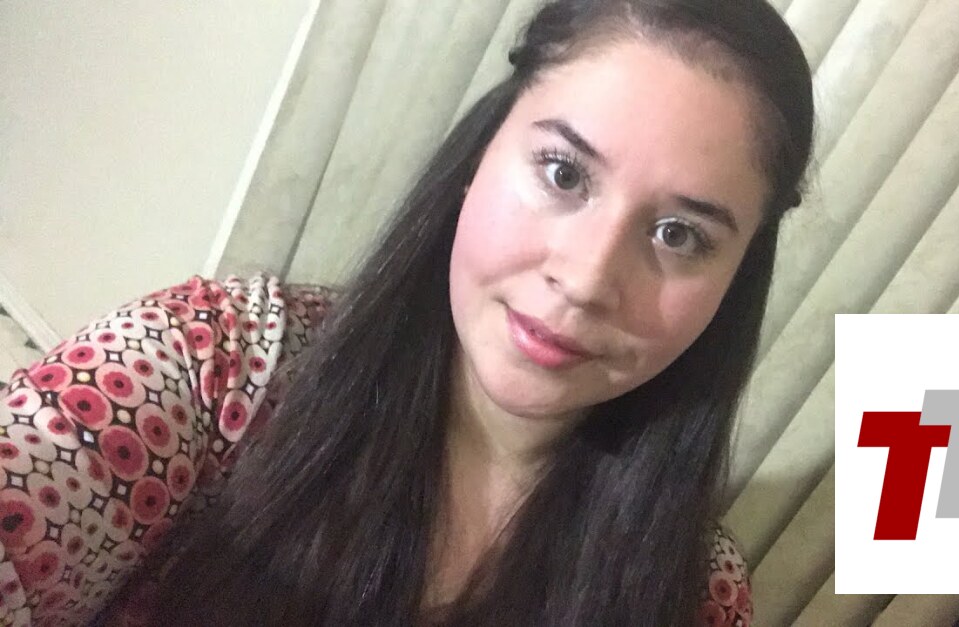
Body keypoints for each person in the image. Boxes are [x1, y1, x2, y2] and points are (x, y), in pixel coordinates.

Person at [0, 0, 813, 624]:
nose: (586, 279)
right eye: (563, 174)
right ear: (481, 154)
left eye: (678, 234)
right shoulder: (217, 364)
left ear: (735, 279)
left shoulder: (694, 597)